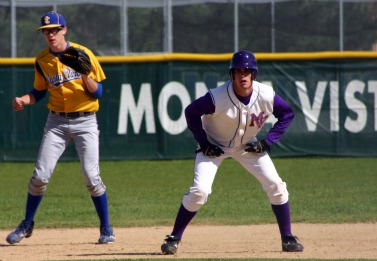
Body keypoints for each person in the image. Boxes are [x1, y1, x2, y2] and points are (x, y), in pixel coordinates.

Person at [160, 50, 304, 254]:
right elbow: (191, 112)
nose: (242, 75)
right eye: (238, 71)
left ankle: (288, 238)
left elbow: (287, 114)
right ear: (232, 74)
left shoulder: (266, 95)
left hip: (248, 146)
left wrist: (268, 142)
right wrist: (203, 142)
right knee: (200, 191)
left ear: (254, 74)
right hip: (214, 146)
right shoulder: (217, 97)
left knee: (276, 185)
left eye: (247, 71)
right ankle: (174, 238)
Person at [7, 11, 115, 244]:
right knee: (40, 176)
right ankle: (27, 224)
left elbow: (98, 92)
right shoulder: (42, 60)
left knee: (91, 175)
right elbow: (39, 91)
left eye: (54, 29)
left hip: (85, 120)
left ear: (64, 30)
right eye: (46, 31)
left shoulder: (82, 53)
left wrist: (85, 74)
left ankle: (106, 228)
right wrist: (24, 100)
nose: (50, 34)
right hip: (56, 122)